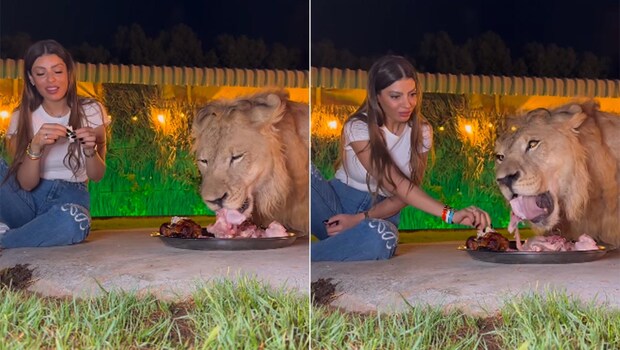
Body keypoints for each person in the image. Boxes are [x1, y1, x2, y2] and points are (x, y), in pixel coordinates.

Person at [311, 55, 491, 261]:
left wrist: (359, 220)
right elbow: (396, 183)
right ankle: (335, 247)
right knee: (303, 169)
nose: (408, 104)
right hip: (333, 210)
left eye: (412, 94)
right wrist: (452, 215)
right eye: (396, 96)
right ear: (377, 96)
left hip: (378, 219)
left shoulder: (422, 132)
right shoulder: (358, 127)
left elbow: (405, 193)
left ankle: (315, 258)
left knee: (382, 238)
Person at [0, 39, 110, 248]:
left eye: (57, 71)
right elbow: (25, 184)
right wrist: (35, 147)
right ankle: (31, 232)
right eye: (41, 73)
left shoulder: (91, 110)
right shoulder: (21, 117)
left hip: (70, 198)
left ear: (69, 73)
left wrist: (89, 149)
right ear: (32, 79)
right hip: (25, 201)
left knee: (74, 222)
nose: (51, 80)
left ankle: (8, 238)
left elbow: (97, 175)